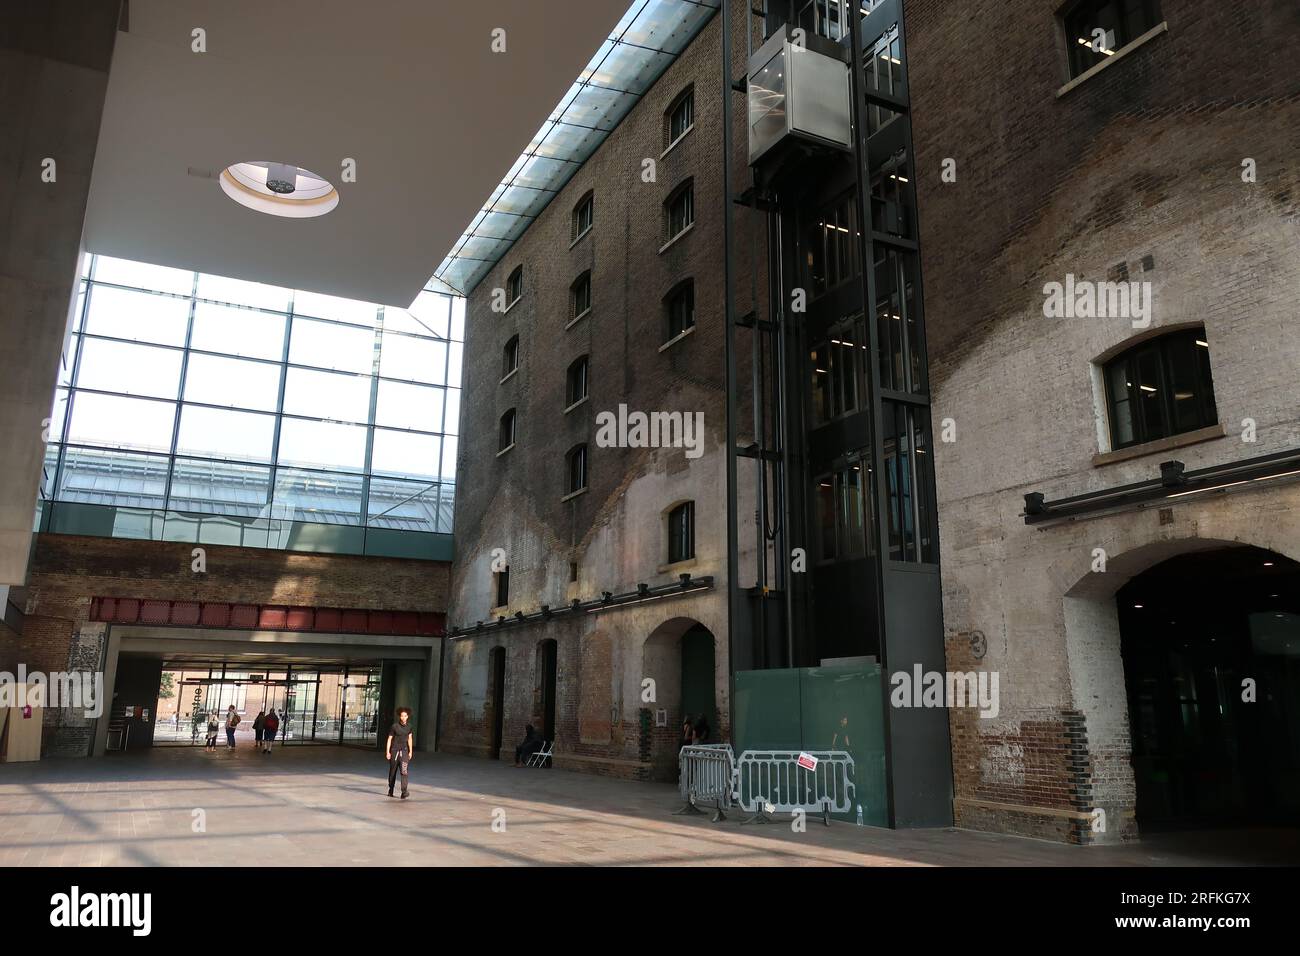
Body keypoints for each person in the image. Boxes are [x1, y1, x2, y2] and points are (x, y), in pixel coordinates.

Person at [385, 706, 415, 799]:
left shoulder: (409, 726)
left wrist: (410, 751)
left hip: (404, 752)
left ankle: (404, 791)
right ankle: (391, 789)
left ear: (407, 716)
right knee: (392, 772)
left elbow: (410, 738)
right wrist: (388, 752)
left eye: (405, 716)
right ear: (399, 716)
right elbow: (389, 739)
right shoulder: (394, 726)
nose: (403, 718)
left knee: (404, 771)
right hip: (394, 751)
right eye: (402, 716)